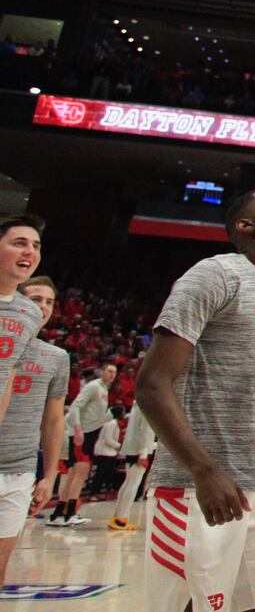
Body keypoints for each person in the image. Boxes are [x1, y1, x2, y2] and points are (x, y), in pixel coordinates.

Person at [135, 185, 255, 612]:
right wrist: (205, 471)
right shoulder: (216, 274)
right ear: (246, 225)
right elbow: (151, 383)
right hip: (194, 488)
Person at [0, 276, 68, 585]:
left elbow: (53, 420)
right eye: (34, 299)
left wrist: (49, 476)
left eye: (49, 302)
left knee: (2, 561)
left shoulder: (57, 358)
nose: (42, 307)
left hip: (19, 469)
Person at [52, 363, 114, 525]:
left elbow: (95, 417)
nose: (112, 374)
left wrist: (108, 417)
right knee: (79, 475)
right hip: (82, 434)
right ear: (102, 372)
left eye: (114, 372)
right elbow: (75, 406)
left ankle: (59, 514)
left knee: (74, 475)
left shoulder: (104, 391)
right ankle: (69, 513)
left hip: (89, 433)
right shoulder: (93, 387)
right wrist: (78, 429)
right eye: (109, 371)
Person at [0, 216, 47, 431]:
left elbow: (8, 378)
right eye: (19, 243)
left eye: (35, 246)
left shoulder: (31, 314)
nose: (30, 251)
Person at [108, 402, 158, 531]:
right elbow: (145, 431)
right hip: (139, 450)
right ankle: (121, 518)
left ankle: (118, 515)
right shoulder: (148, 406)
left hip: (131, 448)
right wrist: (144, 452)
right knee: (133, 483)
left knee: (128, 482)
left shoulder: (137, 406)